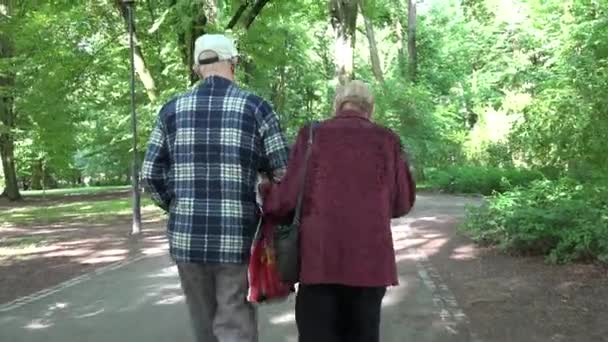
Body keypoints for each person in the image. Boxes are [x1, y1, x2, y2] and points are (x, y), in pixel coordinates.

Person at [141, 34, 290, 342]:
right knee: (234, 322)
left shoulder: (170, 111)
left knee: (203, 325)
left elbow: (150, 175)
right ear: (233, 63)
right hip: (237, 235)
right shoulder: (256, 108)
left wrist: (177, 205)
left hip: (186, 238)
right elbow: (284, 172)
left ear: (197, 68)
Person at [260, 80, 416, 342]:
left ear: (337, 104)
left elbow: (286, 199)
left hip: (319, 260)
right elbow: (402, 202)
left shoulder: (311, 135)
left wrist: (266, 193)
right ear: (370, 107)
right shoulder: (388, 140)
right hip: (370, 264)